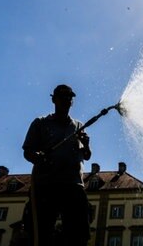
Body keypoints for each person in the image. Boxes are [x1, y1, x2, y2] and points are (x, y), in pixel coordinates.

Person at [22, 84, 92, 246]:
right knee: (40, 230)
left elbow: (87, 156)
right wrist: (37, 157)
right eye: (62, 97)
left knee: (79, 232)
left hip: (73, 184)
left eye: (69, 98)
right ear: (54, 99)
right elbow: (27, 152)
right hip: (46, 185)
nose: (66, 101)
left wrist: (86, 144)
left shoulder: (78, 126)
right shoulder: (40, 123)